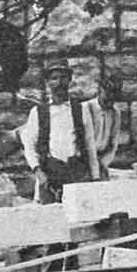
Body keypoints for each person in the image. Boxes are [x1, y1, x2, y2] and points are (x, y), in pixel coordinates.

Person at [17, 62, 106, 200]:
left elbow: (90, 147)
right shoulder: (38, 112)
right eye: (54, 78)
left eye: (63, 77)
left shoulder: (81, 110)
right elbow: (29, 146)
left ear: (70, 80)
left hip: (76, 173)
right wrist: (39, 172)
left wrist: (95, 178)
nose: (59, 83)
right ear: (47, 82)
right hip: (50, 175)